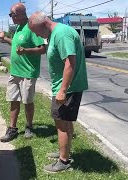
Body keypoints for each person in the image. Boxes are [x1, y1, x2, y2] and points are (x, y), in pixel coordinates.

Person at [28, 12, 88, 172]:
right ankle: (65, 152)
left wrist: (62, 90)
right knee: (65, 122)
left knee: (61, 123)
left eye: (36, 31)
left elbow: (70, 63)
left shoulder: (61, 34)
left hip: (68, 88)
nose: (36, 35)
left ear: (43, 24)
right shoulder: (58, 33)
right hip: (65, 86)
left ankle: (64, 161)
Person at [0, 3, 46, 142]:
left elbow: (43, 48)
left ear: (22, 14)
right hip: (15, 72)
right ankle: (12, 129)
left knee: (27, 101)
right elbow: (16, 44)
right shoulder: (18, 28)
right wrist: (3, 38)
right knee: (13, 99)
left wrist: (26, 51)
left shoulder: (31, 28)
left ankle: (29, 126)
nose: (11, 17)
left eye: (13, 15)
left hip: (28, 73)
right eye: (10, 15)